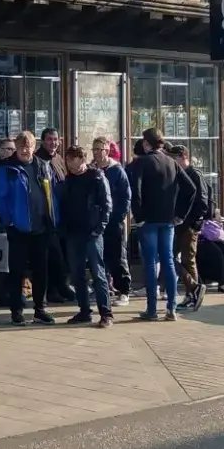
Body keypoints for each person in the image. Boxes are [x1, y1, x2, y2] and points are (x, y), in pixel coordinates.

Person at [0, 131, 60, 325]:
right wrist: (7, 220)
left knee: (41, 270)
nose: (25, 151)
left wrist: (54, 218)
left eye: (28, 147)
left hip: (41, 227)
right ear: (16, 148)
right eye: (22, 147)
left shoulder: (43, 166)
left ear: (34, 147)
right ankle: (16, 311)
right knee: (17, 271)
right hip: (17, 228)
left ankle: (40, 309)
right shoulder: (6, 168)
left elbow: (52, 193)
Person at [126, 128, 183, 322]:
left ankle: (151, 310)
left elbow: (136, 190)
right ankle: (171, 308)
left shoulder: (142, 162)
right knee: (167, 260)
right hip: (168, 220)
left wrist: (139, 215)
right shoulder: (172, 163)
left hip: (149, 221)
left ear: (147, 143)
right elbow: (190, 188)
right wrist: (179, 214)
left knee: (150, 263)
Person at [57, 146, 114, 328]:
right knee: (77, 274)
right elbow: (64, 205)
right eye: (68, 163)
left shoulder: (96, 177)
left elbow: (107, 205)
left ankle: (106, 313)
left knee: (98, 273)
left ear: (82, 160)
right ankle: (84, 311)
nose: (71, 167)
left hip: (92, 232)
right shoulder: (69, 180)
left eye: (73, 163)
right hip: (74, 232)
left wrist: (99, 228)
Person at [91, 136, 132, 306]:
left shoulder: (117, 170)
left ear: (107, 150)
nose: (98, 153)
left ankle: (124, 290)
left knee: (117, 256)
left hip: (113, 221)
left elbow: (125, 196)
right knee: (99, 256)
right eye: (95, 149)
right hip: (96, 221)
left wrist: (118, 216)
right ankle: (102, 287)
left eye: (101, 149)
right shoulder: (91, 169)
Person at [169, 146, 209, 310]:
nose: (172, 161)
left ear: (183, 156)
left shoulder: (194, 174)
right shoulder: (179, 175)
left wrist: (194, 223)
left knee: (188, 259)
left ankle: (192, 293)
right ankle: (192, 288)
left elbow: (203, 202)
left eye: (175, 158)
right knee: (170, 257)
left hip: (189, 225)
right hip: (178, 224)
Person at [35, 129, 71, 305]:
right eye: (49, 139)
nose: (53, 143)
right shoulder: (37, 160)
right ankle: (52, 290)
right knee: (51, 256)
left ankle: (62, 286)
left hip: (61, 214)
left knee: (62, 254)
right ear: (42, 141)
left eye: (56, 139)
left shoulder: (58, 159)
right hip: (46, 215)